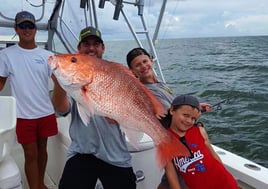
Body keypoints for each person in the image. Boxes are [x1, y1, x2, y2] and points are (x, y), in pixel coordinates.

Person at [51, 26, 136, 189]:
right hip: (82, 153)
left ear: (103, 48)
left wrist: (119, 116)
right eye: (86, 44)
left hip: (116, 155)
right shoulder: (74, 77)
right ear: (79, 48)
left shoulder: (116, 74)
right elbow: (62, 109)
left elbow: (131, 105)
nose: (91, 48)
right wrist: (59, 84)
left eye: (96, 44)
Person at [126, 47, 211, 189]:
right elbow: (172, 115)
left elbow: (174, 105)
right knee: (180, 177)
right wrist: (193, 115)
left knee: (172, 178)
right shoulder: (143, 91)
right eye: (137, 65)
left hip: (176, 137)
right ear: (132, 70)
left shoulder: (159, 83)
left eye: (145, 61)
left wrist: (195, 106)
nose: (143, 66)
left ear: (151, 61)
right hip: (172, 137)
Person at [0, 11, 58, 189]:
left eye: (30, 26)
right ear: (16, 29)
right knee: (30, 154)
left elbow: (61, 81)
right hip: (24, 115)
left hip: (46, 112)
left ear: (35, 29)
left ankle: (40, 183)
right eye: (23, 26)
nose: (27, 29)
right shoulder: (6, 55)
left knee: (43, 150)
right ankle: (35, 187)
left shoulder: (48, 55)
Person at [160, 94, 239, 189]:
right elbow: (171, 173)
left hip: (225, 182)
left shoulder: (200, 130)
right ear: (172, 110)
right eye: (185, 115)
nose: (189, 121)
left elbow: (213, 155)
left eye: (193, 118)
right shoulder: (164, 141)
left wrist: (227, 173)